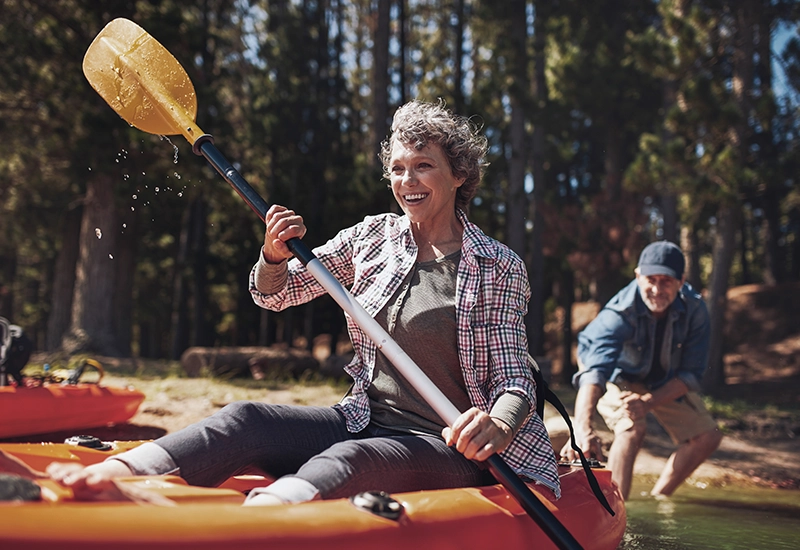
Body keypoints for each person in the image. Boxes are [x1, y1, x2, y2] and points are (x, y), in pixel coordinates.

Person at [45, 99, 560, 505]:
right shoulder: (372, 238)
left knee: (352, 459)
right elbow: (277, 294)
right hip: (363, 417)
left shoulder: (495, 265)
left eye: (424, 166)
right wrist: (272, 256)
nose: (408, 181)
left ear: (459, 175)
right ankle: (117, 475)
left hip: (450, 445)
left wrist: (497, 424)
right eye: (398, 168)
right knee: (245, 418)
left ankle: (262, 519)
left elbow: (514, 379)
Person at [560, 241, 722, 500]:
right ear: (638, 277)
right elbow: (594, 372)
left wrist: (648, 402)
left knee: (707, 436)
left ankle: (659, 499)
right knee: (631, 427)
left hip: (661, 379)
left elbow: (690, 375)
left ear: (681, 281)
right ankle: (614, 507)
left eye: (666, 281)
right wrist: (583, 429)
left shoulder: (696, 309)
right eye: (651, 280)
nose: (657, 289)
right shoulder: (619, 312)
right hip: (615, 373)